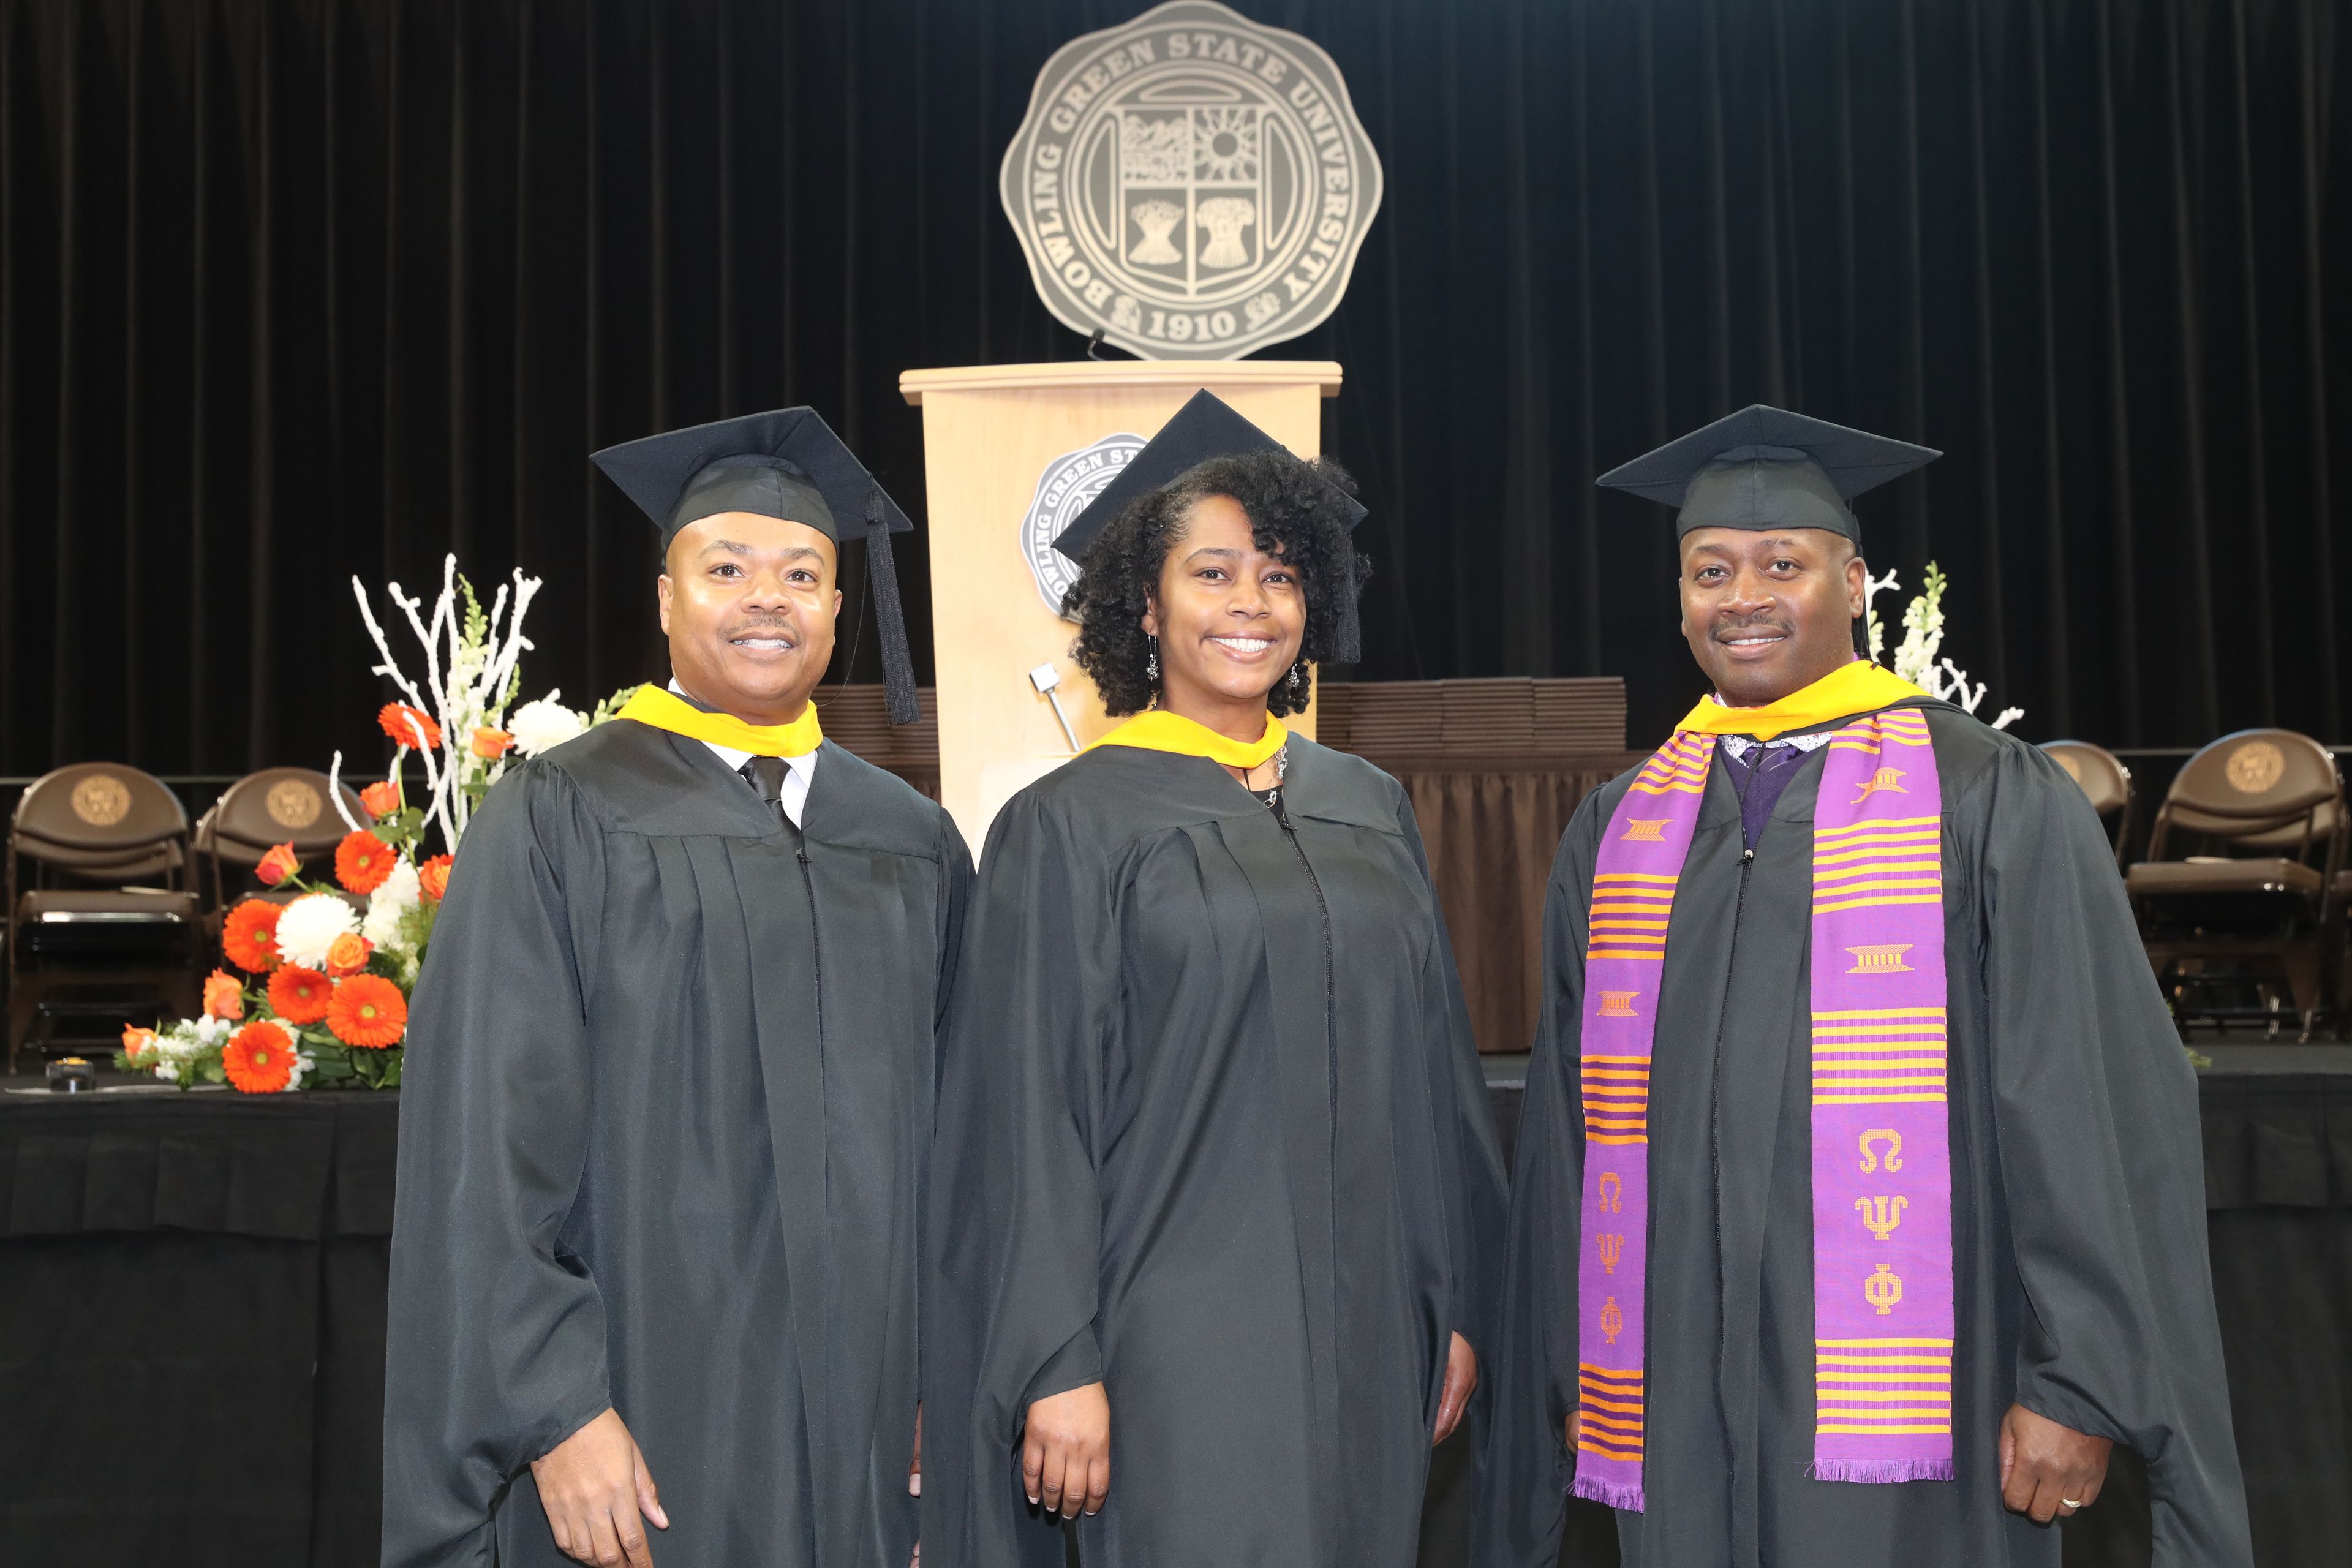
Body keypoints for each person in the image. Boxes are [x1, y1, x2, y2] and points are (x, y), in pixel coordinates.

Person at [1474, 405, 2252, 1568]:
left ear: (1854, 582)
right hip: (1674, 1381)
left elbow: (2086, 1099)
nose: (1745, 595)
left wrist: (2079, 1376)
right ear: (1679, 596)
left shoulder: (1987, 796)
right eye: (1710, 569)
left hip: (1927, 1393)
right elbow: (1572, 1142)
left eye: (1783, 564)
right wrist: (1553, 1379)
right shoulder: (1621, 824)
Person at [921, 392, 1509, 1568]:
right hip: (1173, 1339)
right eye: (1214, 573)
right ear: (1144, 604)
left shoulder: (1368, 803)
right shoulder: (1070, 822)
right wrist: (1056, 1358)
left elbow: (1434, 1078)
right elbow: (1027, 1113)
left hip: (1372, 1322)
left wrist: (1448, 1305)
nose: (1252, 603)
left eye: (1282, 577)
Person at [382, 407, 972, 1568]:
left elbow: (970, 1144)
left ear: (839, 609)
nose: (769, 597)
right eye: (728, 568)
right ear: (665, 599)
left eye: (803, 572)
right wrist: (553, 1407)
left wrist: (944, 1383)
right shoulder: (563, 814)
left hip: (865, 1416)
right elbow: (487, 1147)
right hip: (645, 1408)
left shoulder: (911, 840)